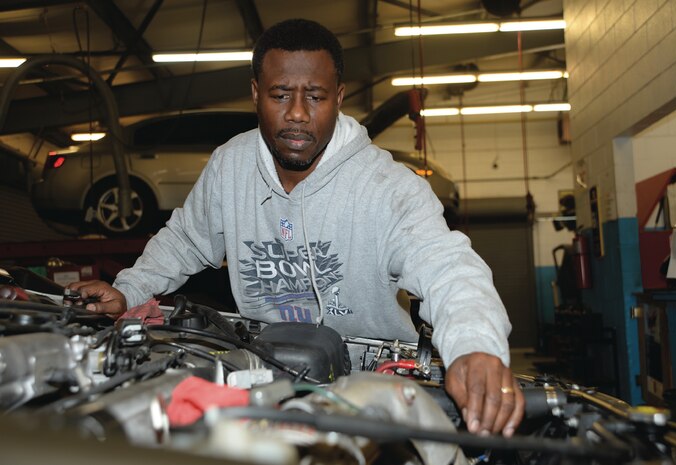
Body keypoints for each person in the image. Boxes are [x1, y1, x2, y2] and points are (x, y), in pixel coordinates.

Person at [69, 18, 524, 437]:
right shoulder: (231, 166)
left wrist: (474, 347)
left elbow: (448, 267)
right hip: (262, 372)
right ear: (255, 93)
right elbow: (185, 239)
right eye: (281, 94)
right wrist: (128, 290)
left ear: (339, 97)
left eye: (316, 96)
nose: (299, 114)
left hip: (372, 387)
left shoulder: (388, 188)